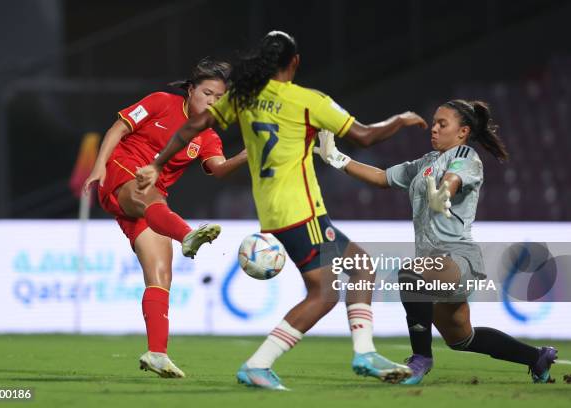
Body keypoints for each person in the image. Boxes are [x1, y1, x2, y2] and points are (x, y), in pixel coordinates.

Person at [135, 31, 429, 390]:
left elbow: (195, 125)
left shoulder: (244, 98)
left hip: (279, 211)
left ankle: (364, 351)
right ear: (294, 63)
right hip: (301, 210)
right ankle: (259, 363)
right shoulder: (309, 100)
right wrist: (401, 119)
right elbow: (366, 135)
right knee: (324, 294)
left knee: (361, 266)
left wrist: (157, 163)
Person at [315, 99, 558, 384]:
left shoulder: (466, 155)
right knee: (462, 338)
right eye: (433, 123)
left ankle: (421, 359)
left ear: (462, 132)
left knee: (409, 274)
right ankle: (537, 358)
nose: (434, 129)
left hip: (458, 259)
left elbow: (454, 177)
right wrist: (337, 158)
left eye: (443, 124)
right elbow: (382, 177)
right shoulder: (427, 162)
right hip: (435, 265)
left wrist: (444, 192)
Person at [82, 57, 247, 379]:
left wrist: (245, 155)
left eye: (219, 97)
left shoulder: (208, 135)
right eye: (207, 93)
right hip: (121, 173)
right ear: (190, 90)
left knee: (160, 276)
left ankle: (157, 353)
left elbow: (219, 169)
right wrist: (99, 165)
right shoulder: (160, 103)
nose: (213, 101)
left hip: (151, 205)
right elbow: (119, 127)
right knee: (149, 196)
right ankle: (186, 234)